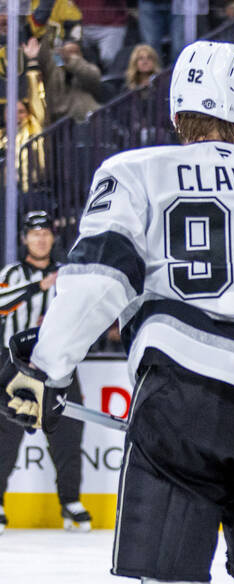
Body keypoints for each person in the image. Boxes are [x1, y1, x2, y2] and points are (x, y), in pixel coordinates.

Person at [0, 40, 234, 584]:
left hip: (183, 402)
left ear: (177, 109)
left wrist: (45, 369)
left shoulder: (137, 170)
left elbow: (98, 281)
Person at [0, 211, 89, 534]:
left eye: (46, 233)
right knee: (5, 438)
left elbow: (82, 315)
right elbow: (1, 303)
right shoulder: (12, 273)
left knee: (67, 435)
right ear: (25, 238)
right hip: (15, 368)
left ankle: (71, 501)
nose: (40, 238)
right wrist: (39, 286)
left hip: (59, 369)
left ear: (53, 237)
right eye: (34, 233)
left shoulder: (68, 275)